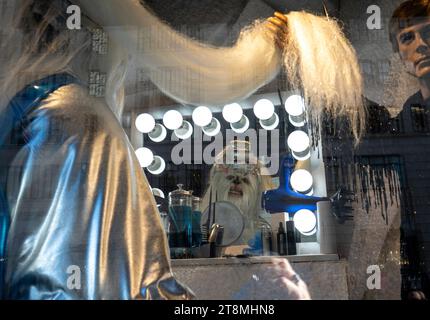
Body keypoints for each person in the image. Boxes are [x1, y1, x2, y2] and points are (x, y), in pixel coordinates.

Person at [0, 0, 308, 300]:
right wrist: (266, 49)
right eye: (231, 172)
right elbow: (117, 288)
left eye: (245, 175)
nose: (237, 182)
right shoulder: (83, 128)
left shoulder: (48, 127)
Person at [387, 0, 430, 300]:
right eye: (407, 38)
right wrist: (411, 279)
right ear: (400, 55)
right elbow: (409, 206)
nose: (421, 45)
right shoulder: (410, 113)